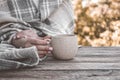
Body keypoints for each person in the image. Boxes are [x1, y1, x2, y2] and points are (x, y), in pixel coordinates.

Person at [0, 0, 74, 70]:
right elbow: (4, 23)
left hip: (59, 63)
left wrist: (43, 42)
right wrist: (17, 38)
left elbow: (62, 31)